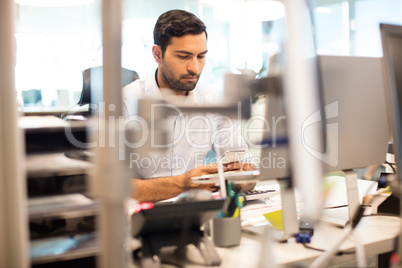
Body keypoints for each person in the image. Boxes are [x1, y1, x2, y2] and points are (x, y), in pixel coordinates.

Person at [123, 9, 256, 202]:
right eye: (184, 56)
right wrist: (183, 183)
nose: (195, 68)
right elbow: (110, 187)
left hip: (198, 214)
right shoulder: (125, 103)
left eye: (201, 56)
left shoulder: (213, 101)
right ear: (157, 54)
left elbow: (248, 168)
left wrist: (241, 177)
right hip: (141, 218)